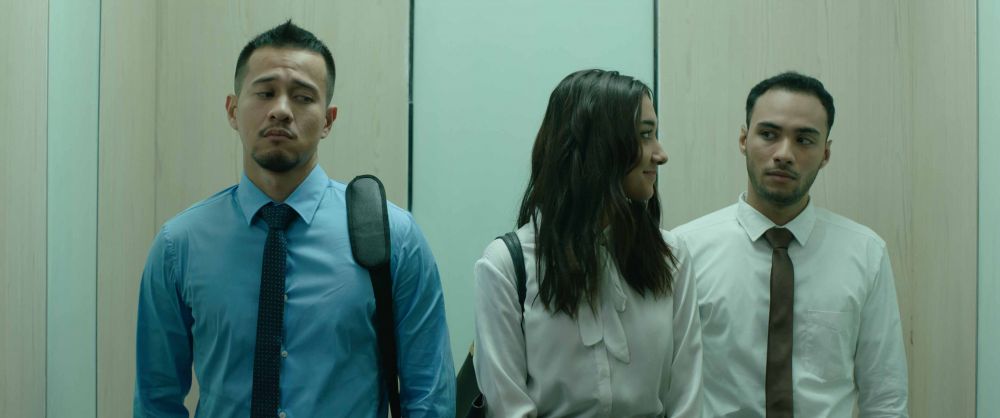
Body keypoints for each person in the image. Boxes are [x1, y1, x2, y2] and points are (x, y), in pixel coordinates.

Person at [133, 21, 455, 418]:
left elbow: (429, 398)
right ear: (232, 110)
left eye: (303, 97)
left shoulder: (394, 237)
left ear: (328, 120)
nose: (282, 110)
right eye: (265, 92)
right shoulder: (178, 246)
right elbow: (156, 400)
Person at [673, 71, 908, 417]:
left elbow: (885, 396)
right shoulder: (684, 250)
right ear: (743, 139)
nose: (784, 154)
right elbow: (667, 388)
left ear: (825, 153)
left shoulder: (865, 254)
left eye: (804, 140)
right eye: (769, 134)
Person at [473, 69, 703, 417]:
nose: (660, 154)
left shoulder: (671, 256)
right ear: (600, 146)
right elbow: (507, 407)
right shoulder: (506, 265)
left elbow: (686, 399)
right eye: (645, 135)